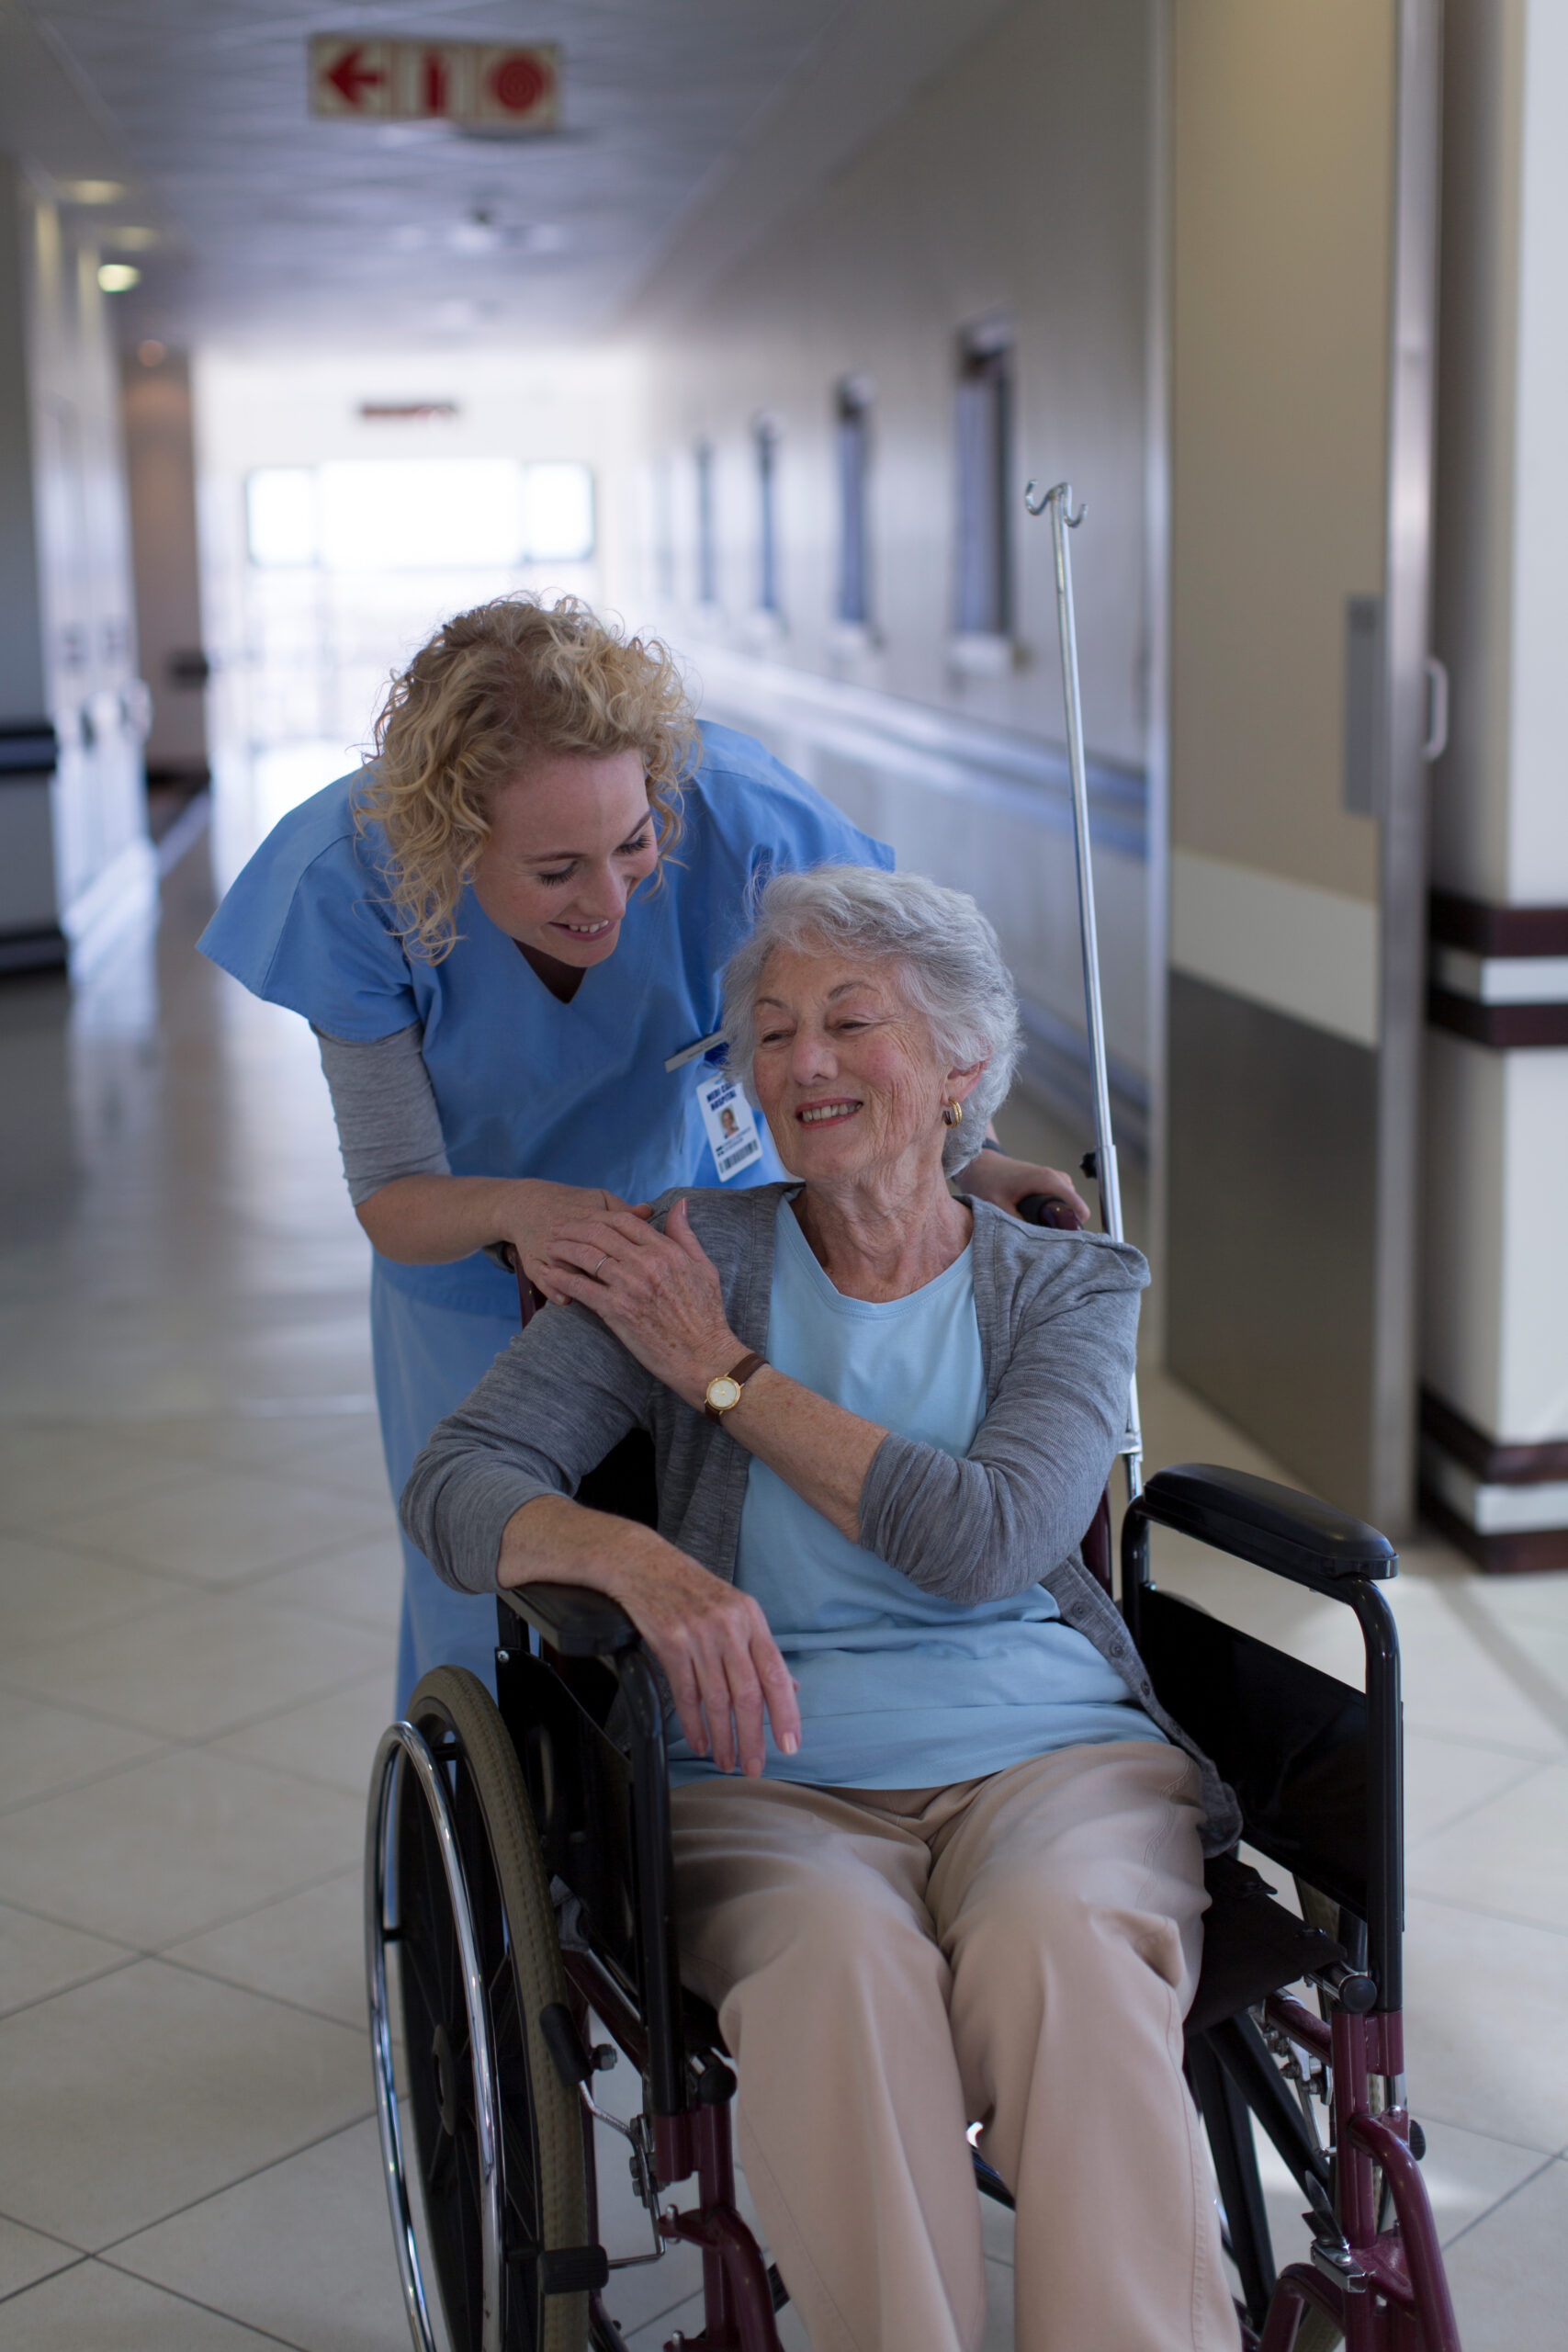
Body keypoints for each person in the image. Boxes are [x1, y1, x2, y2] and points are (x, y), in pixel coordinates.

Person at [402, 865, 1240, 2352]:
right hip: (763, 1777)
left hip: (1049, 1762)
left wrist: (720, 1378)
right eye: (771, 1031)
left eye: (851, 1023)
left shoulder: (1067, 1286)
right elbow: (459, 1479)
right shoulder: (689, 1258)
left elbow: (984, 1544)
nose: (800, 1063)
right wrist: (638, 1560)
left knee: (1067, 1948)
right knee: (841, 1981)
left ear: (958, 1070)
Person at [199, 596, 1089, 1707]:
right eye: (557, 869)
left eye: (633, 845)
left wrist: (976, 1156)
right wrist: (525, 1213)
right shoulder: (353, 881)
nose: (611, 897)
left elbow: (893, 1016)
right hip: (474, 1268)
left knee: (747, 1539)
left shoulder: (739, 816)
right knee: (492, 1578)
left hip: (701, 1242)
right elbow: (394, 1192)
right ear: (453, 839)